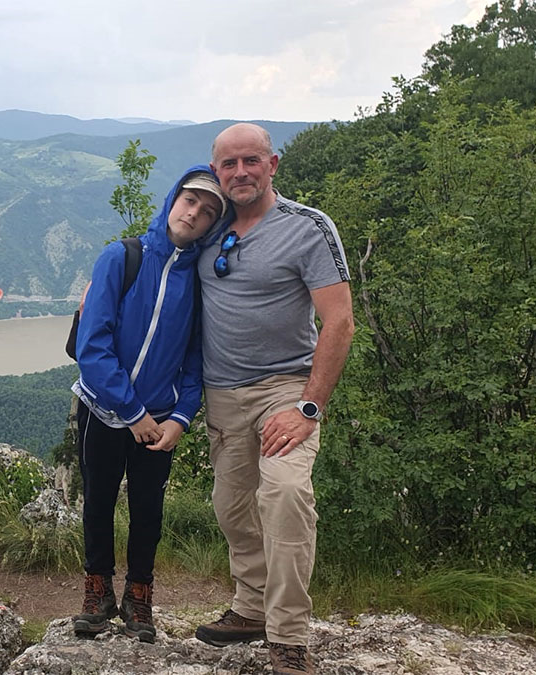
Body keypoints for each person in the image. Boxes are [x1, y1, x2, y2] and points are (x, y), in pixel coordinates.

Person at [193, 123, 354, 675]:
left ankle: (288, 635)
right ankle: (250, 607)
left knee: (284, 495)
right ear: (216, 172)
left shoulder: (308, 228)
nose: (240, 173)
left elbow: (339, 322)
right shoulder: (206, 227)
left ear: (273, 164)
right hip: (220, 392)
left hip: (285, 389)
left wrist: (309, 406)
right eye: (229, 164)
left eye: (250, 161)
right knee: (233, 506)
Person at [71, 165, 228, 642]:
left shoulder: (198, 283)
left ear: (212, 225)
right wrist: (132, 413)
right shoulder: (123, 257)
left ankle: (140, 598)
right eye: (189, 201)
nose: (194, 214)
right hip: (103, 410)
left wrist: (180, 417)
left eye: (206, 212)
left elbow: (194, 360)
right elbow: (91, 347)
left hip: (160, 422)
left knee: (148, 510)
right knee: (97, 502)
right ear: (172, 201)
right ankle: (96, 592)